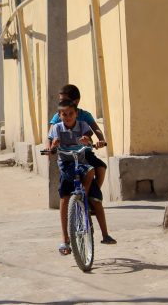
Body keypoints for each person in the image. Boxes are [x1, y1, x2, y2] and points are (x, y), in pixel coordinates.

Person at [47, 99, 115, 256]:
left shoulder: (83, 125)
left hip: (82, 162)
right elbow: (51, 149)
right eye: (65, 114)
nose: (68, 117)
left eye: (71, 114)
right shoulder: (56, 128)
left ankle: (104, 232)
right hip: (66, 165)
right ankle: (65, 240)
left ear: (76, 113)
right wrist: (54, 146)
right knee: (64, 196)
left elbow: (90, 140)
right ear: (59, 115)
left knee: (91, 173)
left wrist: (90, 142)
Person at [47, 84, 108, 190]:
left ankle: (93, 193)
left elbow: (96, 129)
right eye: (60, 100)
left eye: (64, 100)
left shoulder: (85, 115)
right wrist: (49, 148)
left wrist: (101, 140)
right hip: (68, 154)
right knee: (65, 188)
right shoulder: (59, 115)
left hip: (85, 152)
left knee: (101, 168)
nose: (61, 103)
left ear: (76, 101)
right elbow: (50, 135)